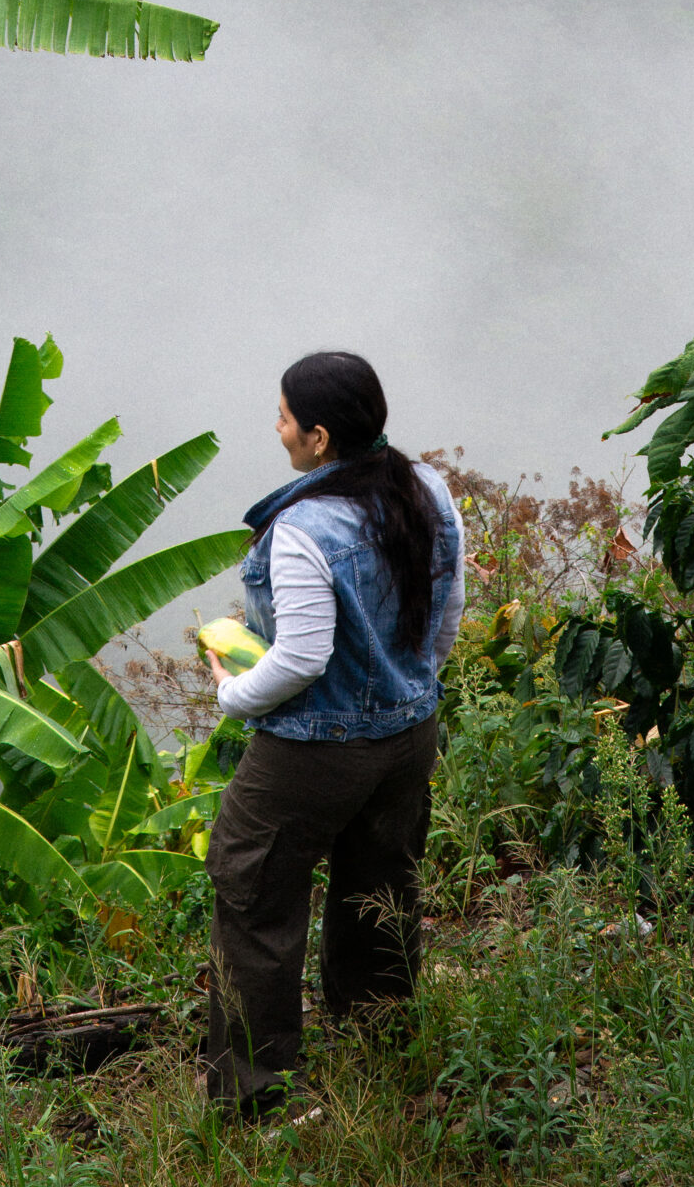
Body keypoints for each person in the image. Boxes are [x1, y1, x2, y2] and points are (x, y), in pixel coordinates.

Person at [202, 350, 465, 1120]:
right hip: (409, 736)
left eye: (283, 416)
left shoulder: (304, 528)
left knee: (254, 899)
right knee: (380, 890)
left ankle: (258, 1101)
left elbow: (303, 657)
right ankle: (381, 1049)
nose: (275, 427)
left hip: (313, 752)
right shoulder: (430, 489)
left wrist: (232, 695)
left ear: (317, 437)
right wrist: (408, 689)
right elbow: (445, 613)